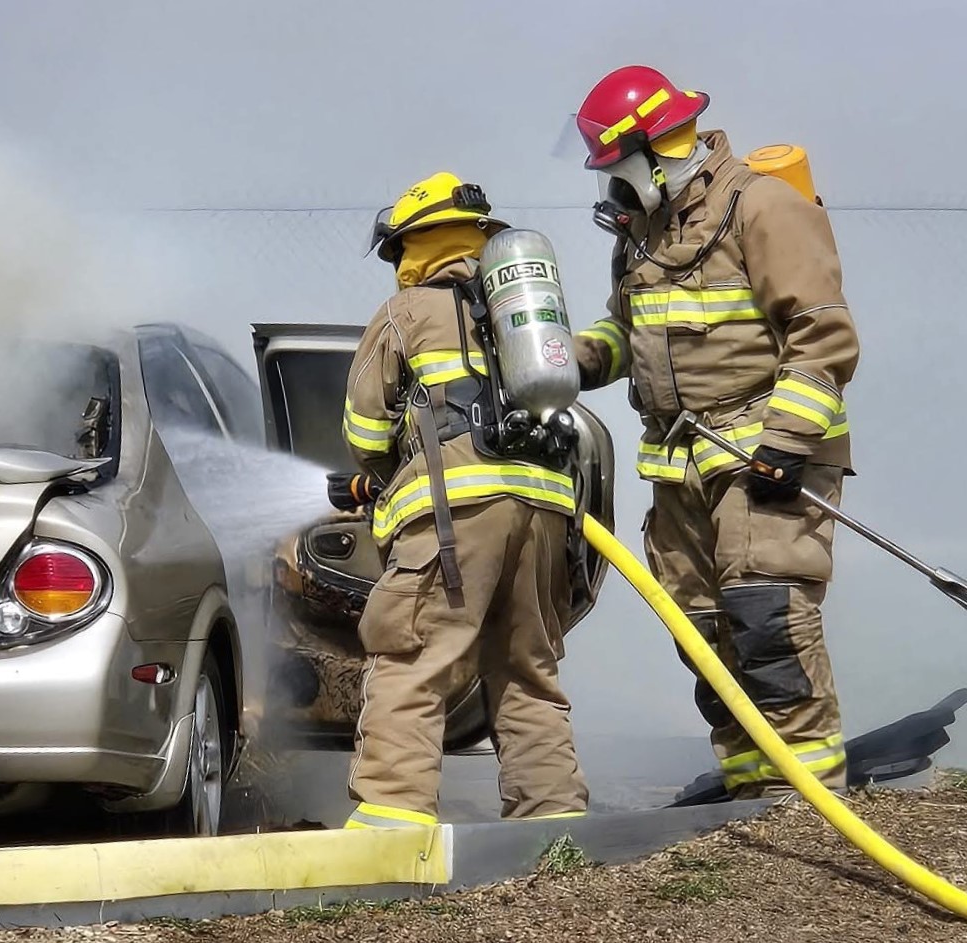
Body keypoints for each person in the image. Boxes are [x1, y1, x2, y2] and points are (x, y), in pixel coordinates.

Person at [571, 65, 858, 798]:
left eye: (615, 165)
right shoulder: (644, 234)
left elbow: (820, 333)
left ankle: (804, 794)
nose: (611, 185)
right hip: (680, 460)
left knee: (765, 611)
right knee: (700, 626)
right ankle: (745, 784)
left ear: (652, 151)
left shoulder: (759, 208)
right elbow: (628, 327)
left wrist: (787, 442)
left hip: (757, 447)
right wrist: (566, 364)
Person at [333, 171, 589, 829]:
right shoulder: (520, 316)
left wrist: (380, 468)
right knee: (527, 672)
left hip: (457, 516)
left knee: (413, 657)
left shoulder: (405, 312)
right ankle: (552, 826)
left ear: (414, 245)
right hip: (546, 510)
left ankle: (392, 822)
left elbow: (363, 428)